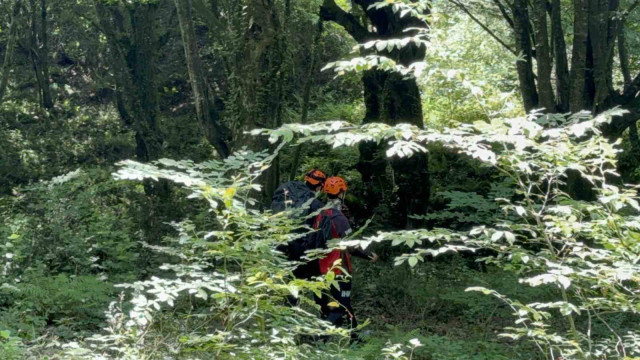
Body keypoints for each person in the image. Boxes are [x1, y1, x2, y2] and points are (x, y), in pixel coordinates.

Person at [313, 176, 378, 334]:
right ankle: (320, 339)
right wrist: (368, 256)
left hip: (321, 267)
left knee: (342, 303)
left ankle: (355, 336)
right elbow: (351, 245)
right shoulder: (338, 217)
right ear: (341, 193)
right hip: (339, 269)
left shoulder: (319, 214)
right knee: (339, 309)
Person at [271, 168, 327, 280]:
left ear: (306, 179)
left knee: (285, 278)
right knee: (299, 279)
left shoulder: (289, 187)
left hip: (278, 239)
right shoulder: (316, 204)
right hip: (299, 246)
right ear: (319, 186)